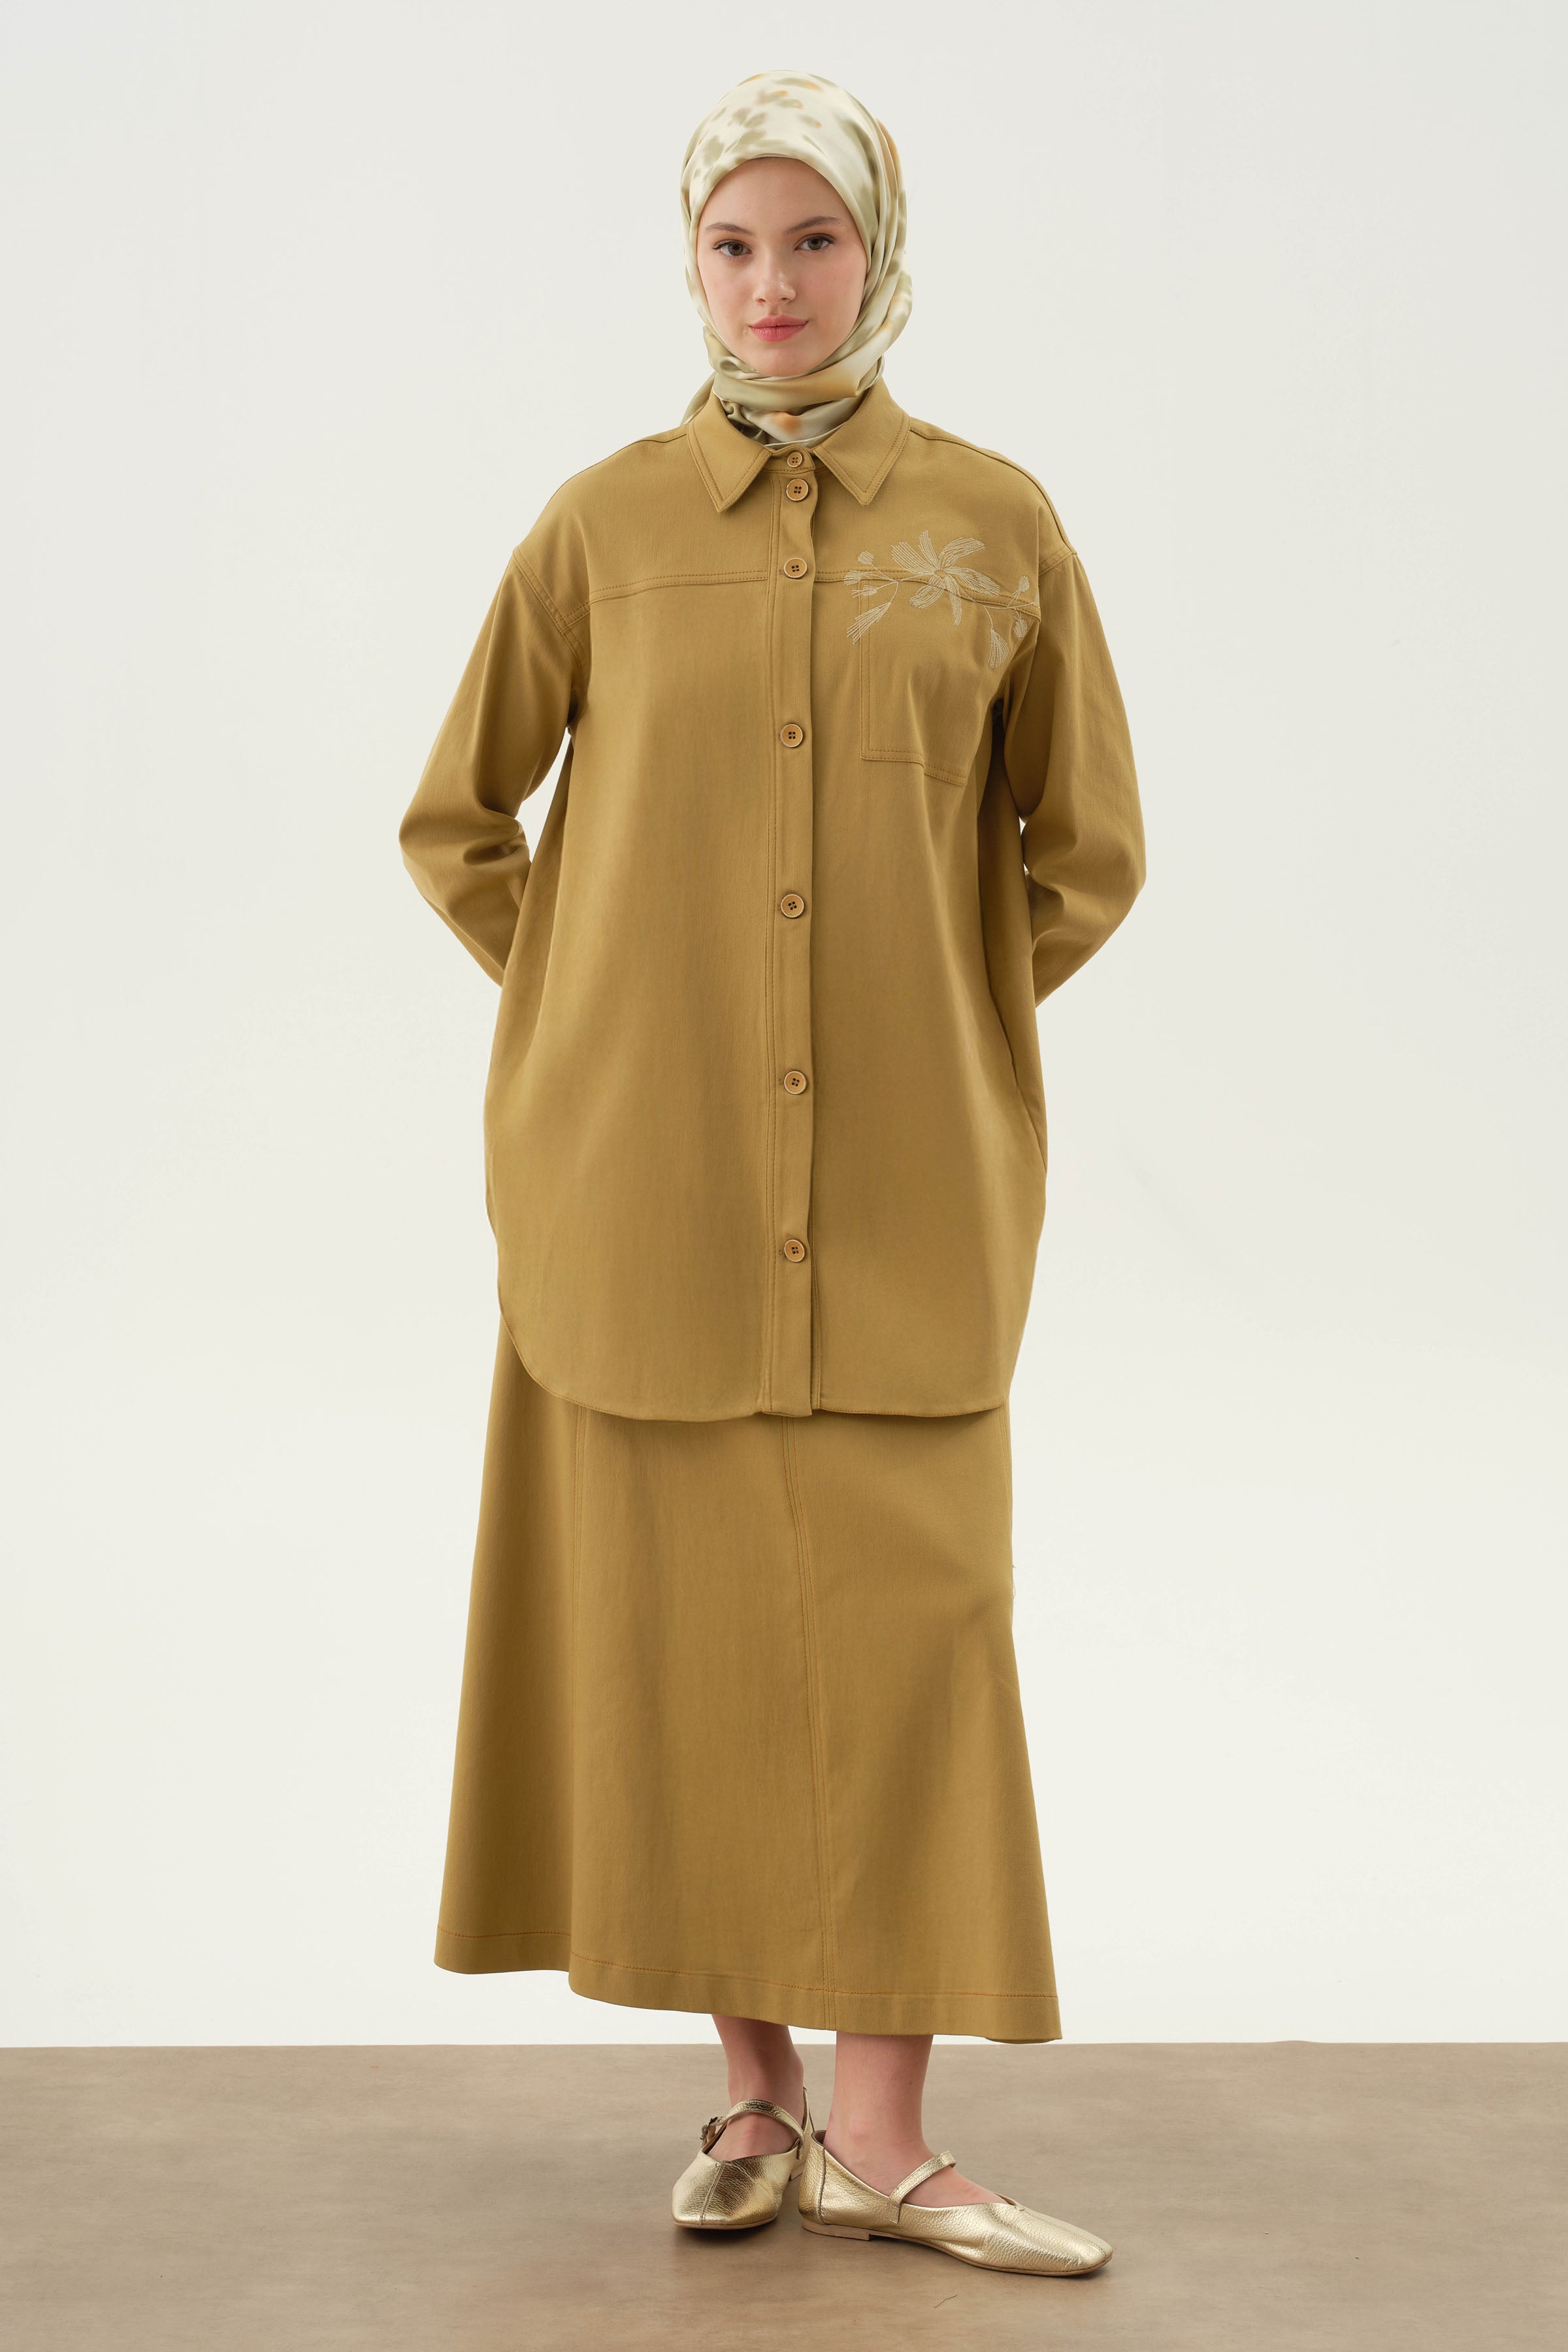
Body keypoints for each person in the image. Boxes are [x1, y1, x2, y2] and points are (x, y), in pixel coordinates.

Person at [398, 68, 1145, 2278]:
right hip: (645, 1199)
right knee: (690, 1649)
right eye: (736, 244)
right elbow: (458, 821)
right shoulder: (604, 528)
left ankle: (888, 2139)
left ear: (879, 249)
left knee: (921, 1649)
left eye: (814, 239)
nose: (775, 284)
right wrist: (608, 1012)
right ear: (691, 262)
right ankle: (755, 2098)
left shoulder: (993, 526)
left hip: (911, 1204)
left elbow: (1086, 852)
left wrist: (936, 1016)